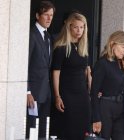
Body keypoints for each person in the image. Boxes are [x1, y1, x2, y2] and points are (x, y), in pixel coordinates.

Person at [90, 31, 124, 140]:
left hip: (122, 109)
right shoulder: (102, 63)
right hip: (105, 108)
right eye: (123, 47)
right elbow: (94, 92)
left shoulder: (123, 63)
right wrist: (96, 118)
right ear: (113, 44)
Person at [51, 12, 91, 140]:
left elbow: (86, 70)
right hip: (67, 94)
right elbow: (56, 72)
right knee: (68, 129)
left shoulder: (83, 47)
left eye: (82, 27)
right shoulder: (61, 47)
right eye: (76, 27)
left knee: (82, 129)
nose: (79, 30)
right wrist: (57, 96)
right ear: (69, 27)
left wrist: (90, 89)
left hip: (82, 95)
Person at [26, 1, 55, 138]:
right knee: (31, 130)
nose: (49, 18)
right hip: (33, 93)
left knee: (43, 131)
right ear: (37, 15)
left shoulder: (48, 37)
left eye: (51, 15)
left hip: (46, 92)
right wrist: (27, 91)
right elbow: (24, 64)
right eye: (46, 14)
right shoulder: (31, 35)